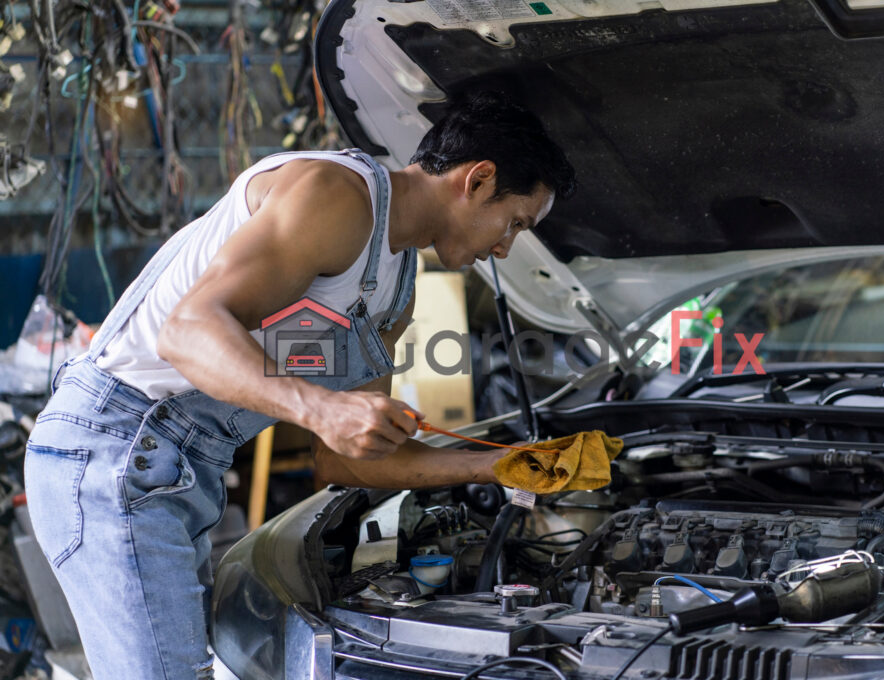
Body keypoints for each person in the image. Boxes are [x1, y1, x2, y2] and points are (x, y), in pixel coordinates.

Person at [23, 91, 576, 679]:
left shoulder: (396, 290)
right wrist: (322, 408)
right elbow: (187, 331)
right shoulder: (336, 195)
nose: (505, 247)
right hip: (115, 443)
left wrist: (500, 466)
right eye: (514, 222)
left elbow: (348, 461)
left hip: (182, 472)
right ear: (479, 179)